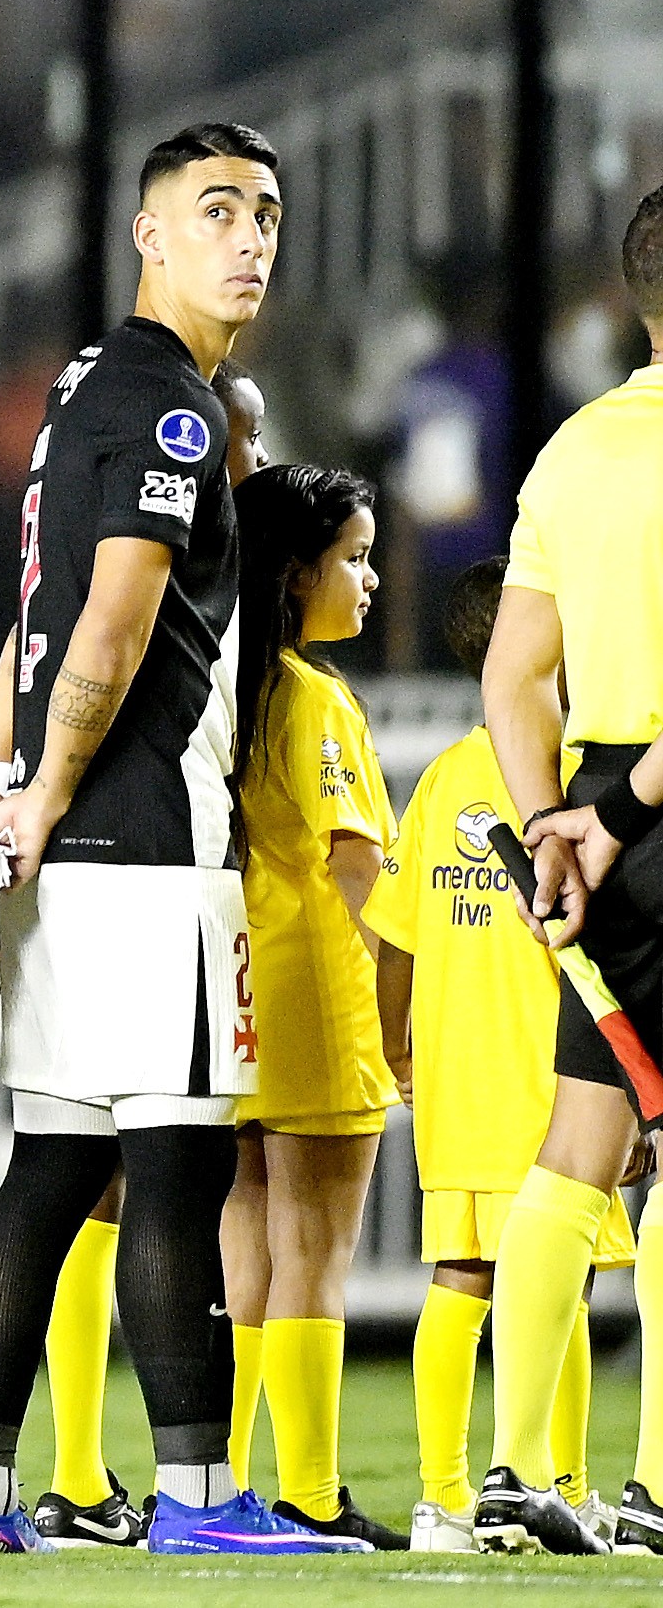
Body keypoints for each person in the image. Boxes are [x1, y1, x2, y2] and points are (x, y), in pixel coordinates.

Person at [0, 122, 337, 1555]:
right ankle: (200, 1497)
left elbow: (32, 624)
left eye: (266, 214)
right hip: (147, 842)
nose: (250, 239)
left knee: (52, 1167)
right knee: (177, 1172)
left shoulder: (81, 390)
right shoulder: (170, 406)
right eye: (217, 210)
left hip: (69, 850)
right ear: (148, 234)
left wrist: (8, 785)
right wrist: (41, 794)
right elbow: (107, 625)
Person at [375, 559, 654, 1553]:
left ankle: (442, 1502)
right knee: (560, 1279)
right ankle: (558, 1484)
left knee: (459, 1277)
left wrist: (397, 1047)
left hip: (459, 1078)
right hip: (555, 1077)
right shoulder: (578, 781)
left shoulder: (445, 774)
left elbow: (396, 932)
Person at [473, 183, 663, 1554]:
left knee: (579, 1145)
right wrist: (627, 810)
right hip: (643, 802)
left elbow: (510, 675)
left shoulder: (574, 451)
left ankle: (513, 1467)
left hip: (596, 803)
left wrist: (558, 820)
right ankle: (655, 1483)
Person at [221, 464, 400, 1547]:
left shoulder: (225, 682)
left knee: (248, 1245)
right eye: (353, 558)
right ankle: (314, 1492)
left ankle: (223, 1485)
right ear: (296, 573)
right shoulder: (314, 697)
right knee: (317, 1249)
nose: (369, 578)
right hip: (319, 990)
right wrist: (407, 1003)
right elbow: (354, 864)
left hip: (240, 988)